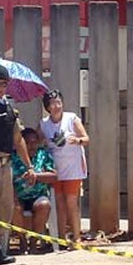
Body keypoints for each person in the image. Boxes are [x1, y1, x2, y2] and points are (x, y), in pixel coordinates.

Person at [0, 64, 36, 265]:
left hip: (6, 165)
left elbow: (18, 139)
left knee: (4, 210)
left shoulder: (10, 109)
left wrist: (29, 166)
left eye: (3, 84)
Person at [38, 90, 89, 243]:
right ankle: (61, 238)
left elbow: (86, 138)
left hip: (73, 167)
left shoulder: (72, 118)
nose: (56, 106)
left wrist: (78, 141)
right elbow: (35, 140)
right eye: (52, 103)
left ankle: (77, 237)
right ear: (47, 107)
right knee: (59, 204)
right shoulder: (44, 124)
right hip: (55, 169)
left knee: (71, 203)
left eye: (58, 102)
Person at [11, 127, 57, 254]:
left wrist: (36, 176)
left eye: (34, 142)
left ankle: (33, 242)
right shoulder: (13, 157)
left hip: (38, 195)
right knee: (13, 207)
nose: (31, 146)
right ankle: (22, 241)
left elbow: (54, 176)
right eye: (27, 143)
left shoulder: (43, 155)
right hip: (18, 196)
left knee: (44, 205)